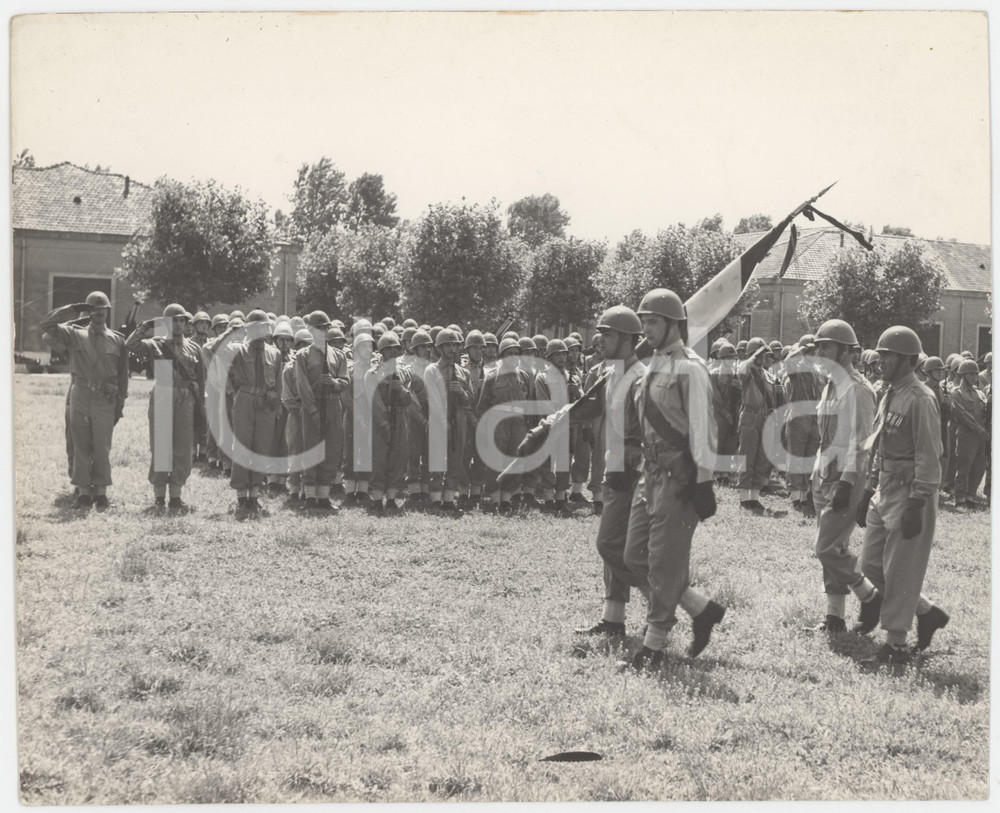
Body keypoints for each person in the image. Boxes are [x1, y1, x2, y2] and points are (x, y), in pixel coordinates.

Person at [622, 289, 724, 669]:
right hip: (650, 474)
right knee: (634, 556)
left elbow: (703, 428)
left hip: (679, 477)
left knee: (664, 562)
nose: (645, 329)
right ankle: (702, 609)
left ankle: (654, 646)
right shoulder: (653, 365)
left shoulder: (690, 368)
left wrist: (704, 480)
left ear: (673, 325)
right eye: (644, 322)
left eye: (652, 322)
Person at [856, 326, 949, 663]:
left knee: (900, 569)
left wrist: (917, 501)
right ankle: (926, 611)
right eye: (880, 355)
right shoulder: (889, 393)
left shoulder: (921, 398)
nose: (881, 361)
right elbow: (879, 446)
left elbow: (929, 454)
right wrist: (869, 488)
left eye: (888, 356)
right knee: (870, 565)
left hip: (911, 492)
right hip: (885, 487)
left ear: (908, 360)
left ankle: (896, 645)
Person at [807, 319, 880, 632]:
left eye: (827, 347)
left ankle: (869, 595)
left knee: (825, 548)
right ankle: (834, 617)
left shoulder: (858, 389)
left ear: (846, 351)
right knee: (833, 549)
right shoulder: (830, 385)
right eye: (819, 347)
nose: (821, 353)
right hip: (824, 474)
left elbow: (862, 444)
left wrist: (847, 483)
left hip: (846, 478)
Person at [40, 291, 129, 508]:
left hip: (105, 398)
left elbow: (122, 376)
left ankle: (101, 491)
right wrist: (75, 309)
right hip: (80, 394)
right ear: (89, 312)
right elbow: (47, 324)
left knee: (102, 445)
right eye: (94, 309)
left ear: (107, 311)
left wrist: (119, 404)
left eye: (102, 309)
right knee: (80, 443)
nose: (99, 312)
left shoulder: (117, 340)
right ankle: (83, 491)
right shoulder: (74, 335)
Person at [125, 304, 204, 509]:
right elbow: (130, 344)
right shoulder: (155, 344)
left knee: (182, 447)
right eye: (173, 321)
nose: (178, 324)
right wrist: (147, 325)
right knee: (161, 447)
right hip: (163, 396)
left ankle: (176, 496)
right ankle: (159, 496)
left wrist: (200, 407)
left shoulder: (194, 348)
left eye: (181, 320)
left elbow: (200, 379)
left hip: (186, 399)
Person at [227, 311, 284, 512]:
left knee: (262, 447)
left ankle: (254, 495)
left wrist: (276, 404)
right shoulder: (238, 349)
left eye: (264, 328)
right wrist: (235, 331)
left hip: (266, 402)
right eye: (256, 328)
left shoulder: (275, 353)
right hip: (245, 400)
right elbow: (213, 352)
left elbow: (278, 382)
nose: (261, 332)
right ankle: (241, 496)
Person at [295, 311, 349, 511]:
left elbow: (345, 381)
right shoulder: (303, 355)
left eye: (325, 328)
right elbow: (302, 385)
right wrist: (312, 410)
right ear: (310, 330)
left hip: (333, 403)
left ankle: (324, 497)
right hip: (313, 404)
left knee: (332, 448)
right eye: (318, 328)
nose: (322, 331)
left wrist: (334, 382)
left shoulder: (339, 355)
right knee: (311, 448)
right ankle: (310, 497)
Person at [476, 337, 532, 515]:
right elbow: (482, 405)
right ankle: (494, 498)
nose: (513, 357)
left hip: (518, 423)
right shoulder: (492, 376)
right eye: (509, 354)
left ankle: (506, 499)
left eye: (516, 354)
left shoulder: (524, 376)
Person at [424, 328, 475, 514]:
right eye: (448, 345)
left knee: (456, 459)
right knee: (437, 459)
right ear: (439, 348)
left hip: (459, 418)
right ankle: (435, 498)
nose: (452, 349)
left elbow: (470, 400)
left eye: (455, 345)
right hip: (439, 417)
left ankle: (449, 498)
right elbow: (433, 399)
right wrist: (442, 420)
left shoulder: (463, 372)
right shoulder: (431, 370)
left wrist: (461, 392)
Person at [366, 332, 414, 514]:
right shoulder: (373, 374)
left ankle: (392, 498)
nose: (393, 352)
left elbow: (408, 400)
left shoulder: (404, 373)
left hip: (400, 417)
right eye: (388, 349)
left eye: (396, 349)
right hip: (380, 420)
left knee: (398, 457)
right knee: (379, 459)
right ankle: (377, 499)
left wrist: (401, 390)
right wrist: (384, 424)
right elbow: (375, 402)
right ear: (381, 352)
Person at [735, 337, 782, 515]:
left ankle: (754, 499)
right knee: (747, 457)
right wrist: (753, 356)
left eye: (765, 354)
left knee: (761, 459)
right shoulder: (747, 370)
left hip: (765, 417)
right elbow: (741, 370)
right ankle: (744, 499)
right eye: (760, 354)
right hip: (750, 416)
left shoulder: (768, 375)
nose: (763, 357)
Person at [783, 335, 823, 516]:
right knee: (797, 457)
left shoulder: (819, 371)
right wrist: (801, 349)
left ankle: (806, 495)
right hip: (799, 417)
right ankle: (796, 497)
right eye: (810, 351)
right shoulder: (796, 368)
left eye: (815, 350)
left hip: (815, 419)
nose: (813, 354)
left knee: (811, 459)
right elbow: (788, 361)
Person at [950, 359, 988, 508]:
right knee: (964, 467)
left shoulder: (980, 393)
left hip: (981, 436)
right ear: (962, 375)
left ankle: (970, 496)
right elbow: (963, 415)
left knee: (979, 466)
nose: (974, 377)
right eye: (970, 374)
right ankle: (960, 498)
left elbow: (986, 412)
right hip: (966, 435)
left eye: (975, 374)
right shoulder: (956, 393)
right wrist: (979, 429)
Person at [282, 328, 313, 502]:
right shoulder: (289, 368)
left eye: (308, 345)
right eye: (302, 345)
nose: (305, 349)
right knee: (295, 450)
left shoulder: (314, 368)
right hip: (297, 415)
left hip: (313, 414)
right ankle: (294, 488)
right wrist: (301, 410)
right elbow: (286, 397)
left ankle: (308, 489)